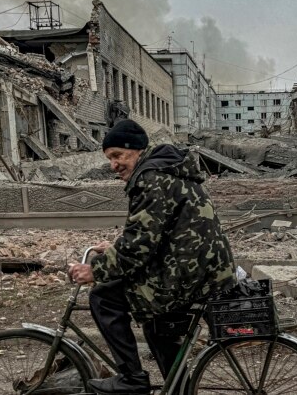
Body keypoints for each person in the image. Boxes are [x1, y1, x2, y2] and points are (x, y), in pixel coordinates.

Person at [68, 119, 236, 395]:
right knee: (156, 324)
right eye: (110, 159)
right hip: (203, 269)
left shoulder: (151, 178)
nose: (113, 165)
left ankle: (131, 378)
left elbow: (139, 246)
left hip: (189, 273)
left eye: (117, 156)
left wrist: (95, 270)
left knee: (103, 296)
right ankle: (178, 390)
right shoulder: (166, 170)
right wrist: (114, 249)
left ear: (135, 150)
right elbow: (153, 232)